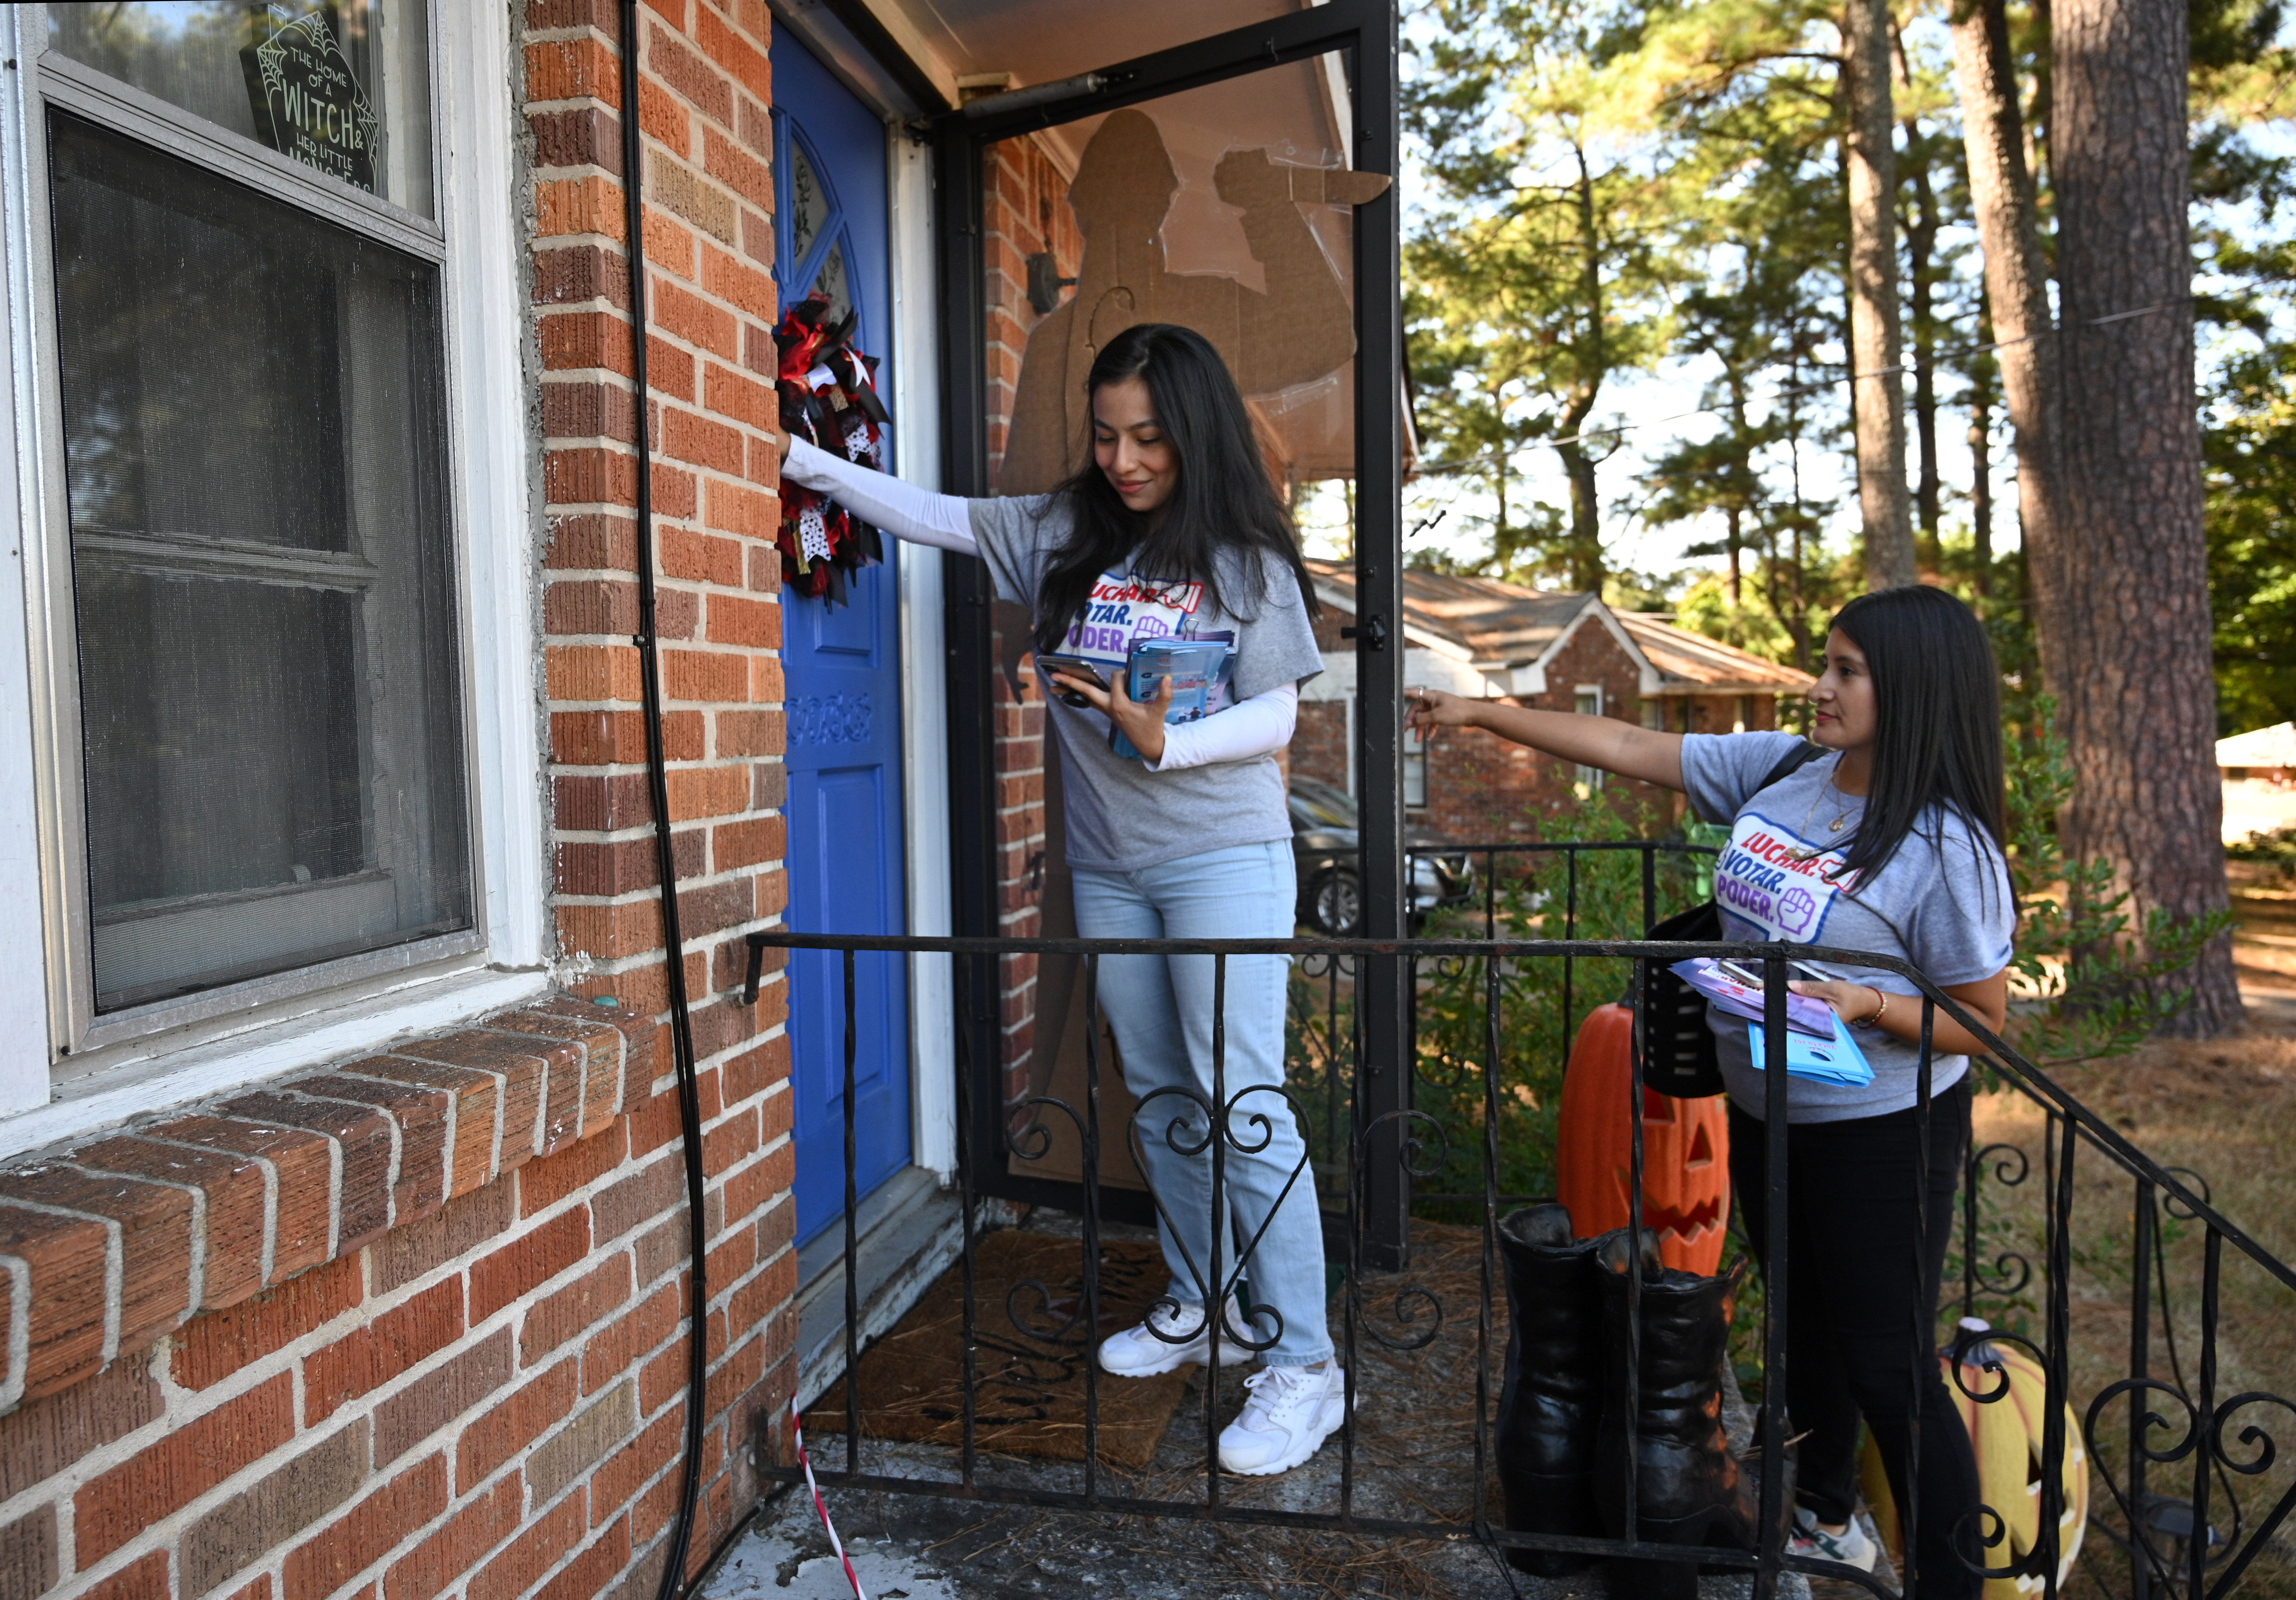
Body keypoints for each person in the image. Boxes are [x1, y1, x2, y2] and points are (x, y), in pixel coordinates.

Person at [778, 322, 1345, 1478]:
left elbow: (1278, 718)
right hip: (1111, 865)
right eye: (1105, 434)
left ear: (1193, 433)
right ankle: (1205, 1299)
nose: (1124, 458)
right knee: (1161, 1090)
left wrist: (1164, 743)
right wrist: (802, 460)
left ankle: (1302, 1361)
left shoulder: (1241, 555)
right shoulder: (1062, 533)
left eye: (1147, 437)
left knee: (1243, 1096)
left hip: (1221, 856)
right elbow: (935, 514)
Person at [1407, 585, 2009, 1595]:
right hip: (1768, 1108)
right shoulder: (1785, 771)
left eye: (1846, 672)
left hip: (1881, 1125)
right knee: (1802, 1321)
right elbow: (1628, 749)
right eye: (1826, 662)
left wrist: (1867, 1001)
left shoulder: (1945, 846)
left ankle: (1953, 1581)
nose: (1820, 686)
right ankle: (1823, 1514)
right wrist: (1479, 714)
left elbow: (1983, 1022)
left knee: (1886, 1364)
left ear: (1910, 688)